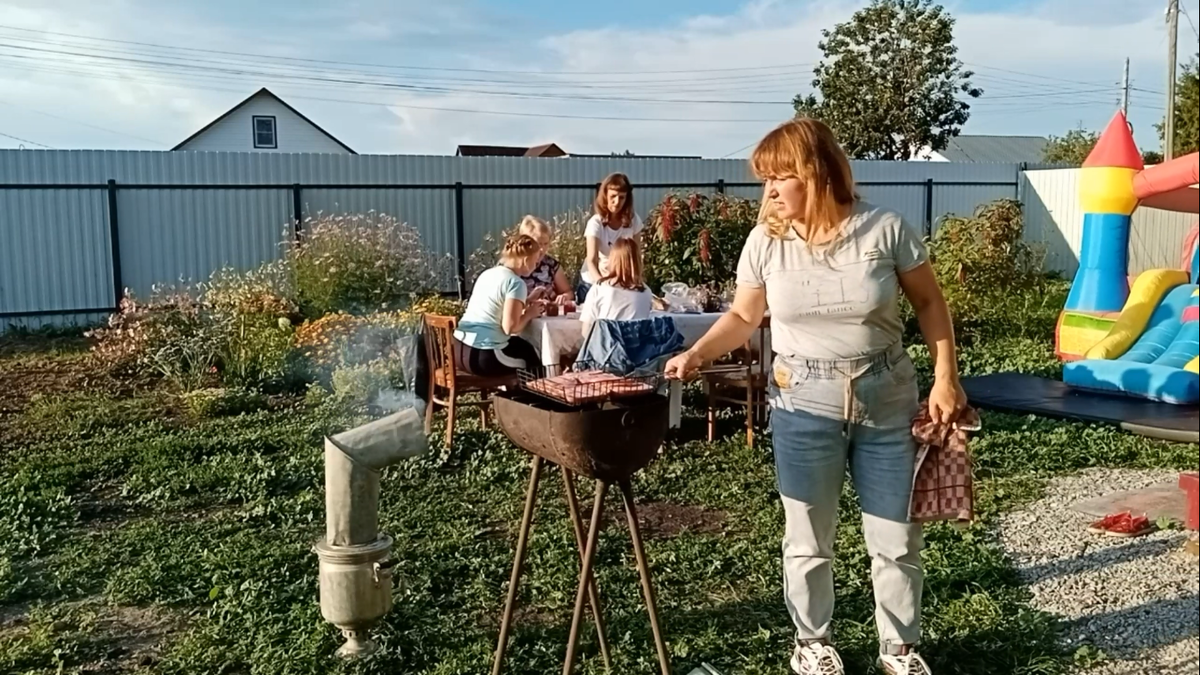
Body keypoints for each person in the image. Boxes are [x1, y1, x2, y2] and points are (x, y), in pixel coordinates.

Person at [664, 118, 967, 675]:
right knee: (807, 537)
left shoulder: (885, 228)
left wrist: (946, 375)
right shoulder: (766, 242)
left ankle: (899, 651)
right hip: (803, 400)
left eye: (781, 177)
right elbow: (742, 316)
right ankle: (812, 645)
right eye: (766, 180)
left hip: (886, 396)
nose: (770, 191)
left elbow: (930, 304)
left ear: (817, 173)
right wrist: (698, 355)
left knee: (896, 537)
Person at [452, 234, 545, 377]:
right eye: (536, 262)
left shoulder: (488, 274)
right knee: (532, 358)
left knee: (522, 346)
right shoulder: (515, 283)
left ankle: (517, 395)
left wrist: (527, 301)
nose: (536, 266)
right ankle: (536, 397)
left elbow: (497, 305)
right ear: (526, 260)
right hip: (484, 357)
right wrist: (529, 314)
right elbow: (510, 328)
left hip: (460, 351)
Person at [578, 172, 643, 303]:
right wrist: (602, 285)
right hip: (593, 281)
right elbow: (592, 260)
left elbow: (636, 257)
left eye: (622, 197)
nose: (617, 202)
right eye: (613, 196)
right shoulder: (595, 223)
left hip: (621, 282)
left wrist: (637, 283)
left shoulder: (633, 221)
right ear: (605, 196)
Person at [578, 237, 653, 332]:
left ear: (613, 259)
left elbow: (586, 331)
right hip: (636, 345)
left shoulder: (600, 289)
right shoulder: (646, 292)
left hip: (606, 345)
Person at [515, 215, 574, 304]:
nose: (542, 249)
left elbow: (568, 292)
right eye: (538, 244)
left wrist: (564, 296)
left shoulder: (551, 264)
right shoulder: (514, 266)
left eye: (545, 244)